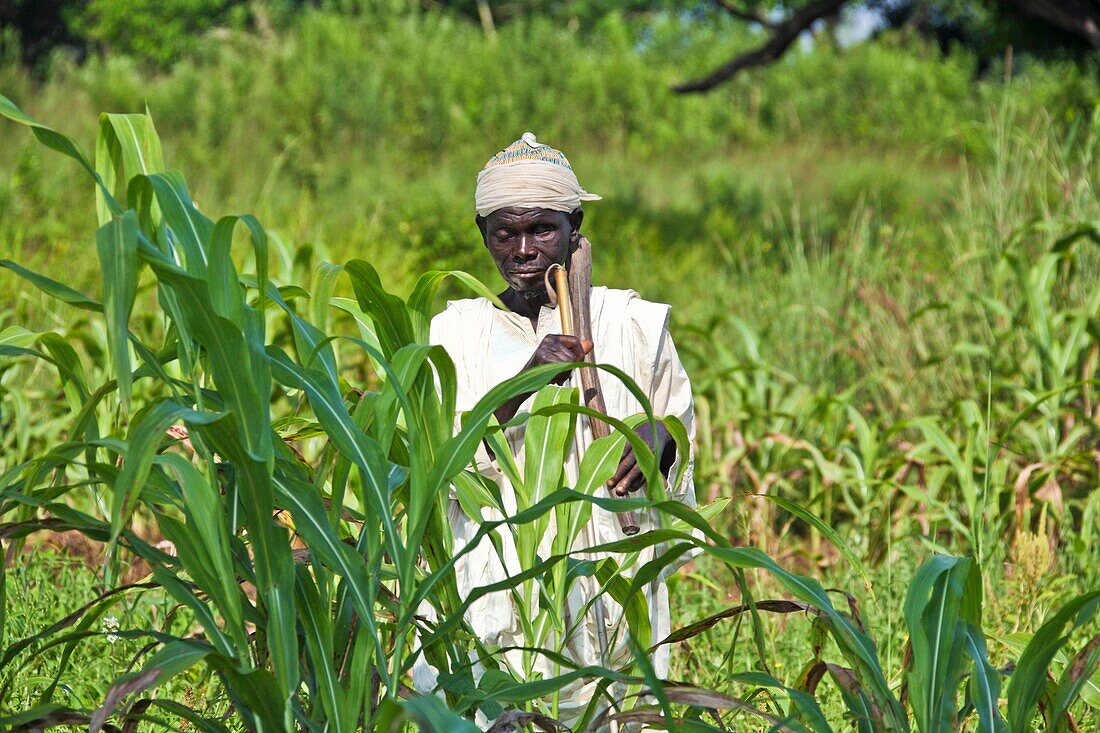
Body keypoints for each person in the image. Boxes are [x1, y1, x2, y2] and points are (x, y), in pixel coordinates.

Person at [426, 132, 696, 725]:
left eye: (542, 229)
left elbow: (678, 417)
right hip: (500, 587)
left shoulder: (631, 322)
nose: (523, 249)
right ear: (483, 235)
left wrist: (663, 436)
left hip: (609, 581)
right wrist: (526, 379)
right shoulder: (456, 333)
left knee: (617, 707)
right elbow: (442, 458)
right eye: (505, 233)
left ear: (574, 226)